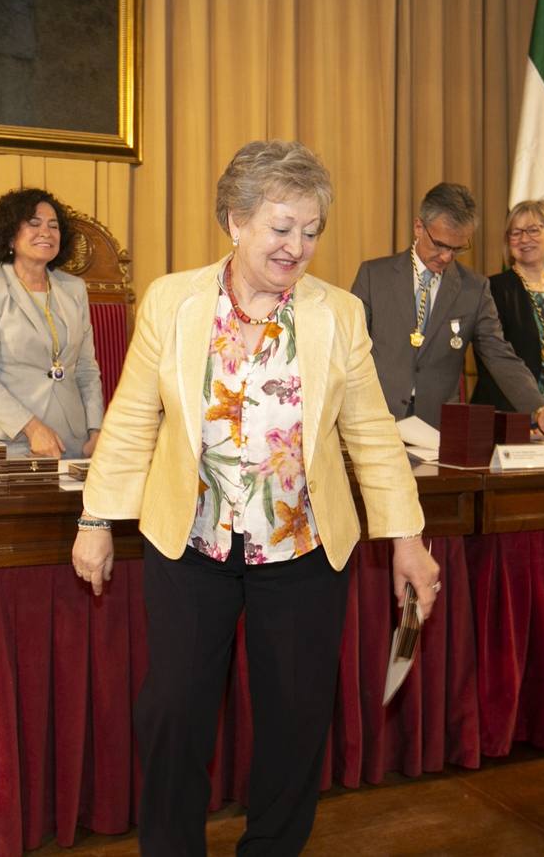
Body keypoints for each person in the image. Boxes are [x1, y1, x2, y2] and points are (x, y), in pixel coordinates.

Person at [72, 140, 440, 856]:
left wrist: (407, 537)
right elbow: (132, 414)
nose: (296, 246)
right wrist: (94, 517)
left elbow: (370, 434)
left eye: (311, 231)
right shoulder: (173, 301)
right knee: (173, 713)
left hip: (302, 548)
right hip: (191, 543)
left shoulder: (337, 315)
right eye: (280, 227)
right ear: (235, 222)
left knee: (296, 722)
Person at [352, 182, 544, 438]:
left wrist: (540, 410)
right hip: (375, 423)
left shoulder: (473, 289)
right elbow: (349, 351)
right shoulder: (374, 276)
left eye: (457, 249)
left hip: (436, 431)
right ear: (419, 227)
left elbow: (500, 356)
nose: (445, 257)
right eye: (440, 244)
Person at [0, 187, 103, 459]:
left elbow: (86, 369)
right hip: (8, 441)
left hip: (73, 442)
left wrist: (96, 430)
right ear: (10, 236)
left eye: (54, 225)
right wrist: (32, 427)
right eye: (34, 224)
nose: (46, 232)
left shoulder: (74, 289)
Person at [471, 200, 544, 423]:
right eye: (515, 233)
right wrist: (524, 421)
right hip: (507, 419)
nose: (524, 239)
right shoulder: (493, 289)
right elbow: (493, 363)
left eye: (533, 230)